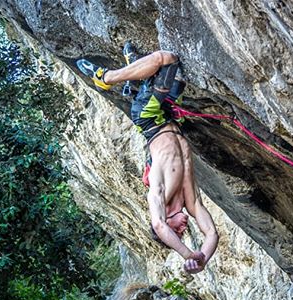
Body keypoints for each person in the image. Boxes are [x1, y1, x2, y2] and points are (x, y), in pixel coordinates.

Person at [76, 48, 218, 274]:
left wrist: (185, 254)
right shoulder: (190, 200)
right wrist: (201, 259)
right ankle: (136, 81)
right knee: (179, 74)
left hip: (149, 117)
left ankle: (106, 78)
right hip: (169, 116)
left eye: (178, 232)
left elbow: (159, 226)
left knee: (167, 59)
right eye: (183, 232)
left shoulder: (156, 193)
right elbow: (211, 233)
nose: (184, 228)